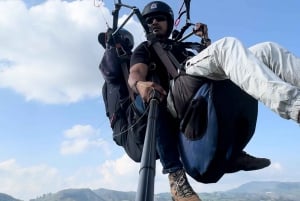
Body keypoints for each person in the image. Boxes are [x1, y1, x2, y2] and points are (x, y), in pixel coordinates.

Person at [128, 1, 274, 201]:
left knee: (232, 76)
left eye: (159, 19)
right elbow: (135, 73)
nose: (154, 22)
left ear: (169, 23)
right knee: (155, 99)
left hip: (188, 96)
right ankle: (175, 176)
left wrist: (205, 40)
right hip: (163, 99)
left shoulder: (180, 48)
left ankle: (233, 152)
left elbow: (208, 64)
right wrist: (140, 85)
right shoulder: (144, 49)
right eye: (150, 20)